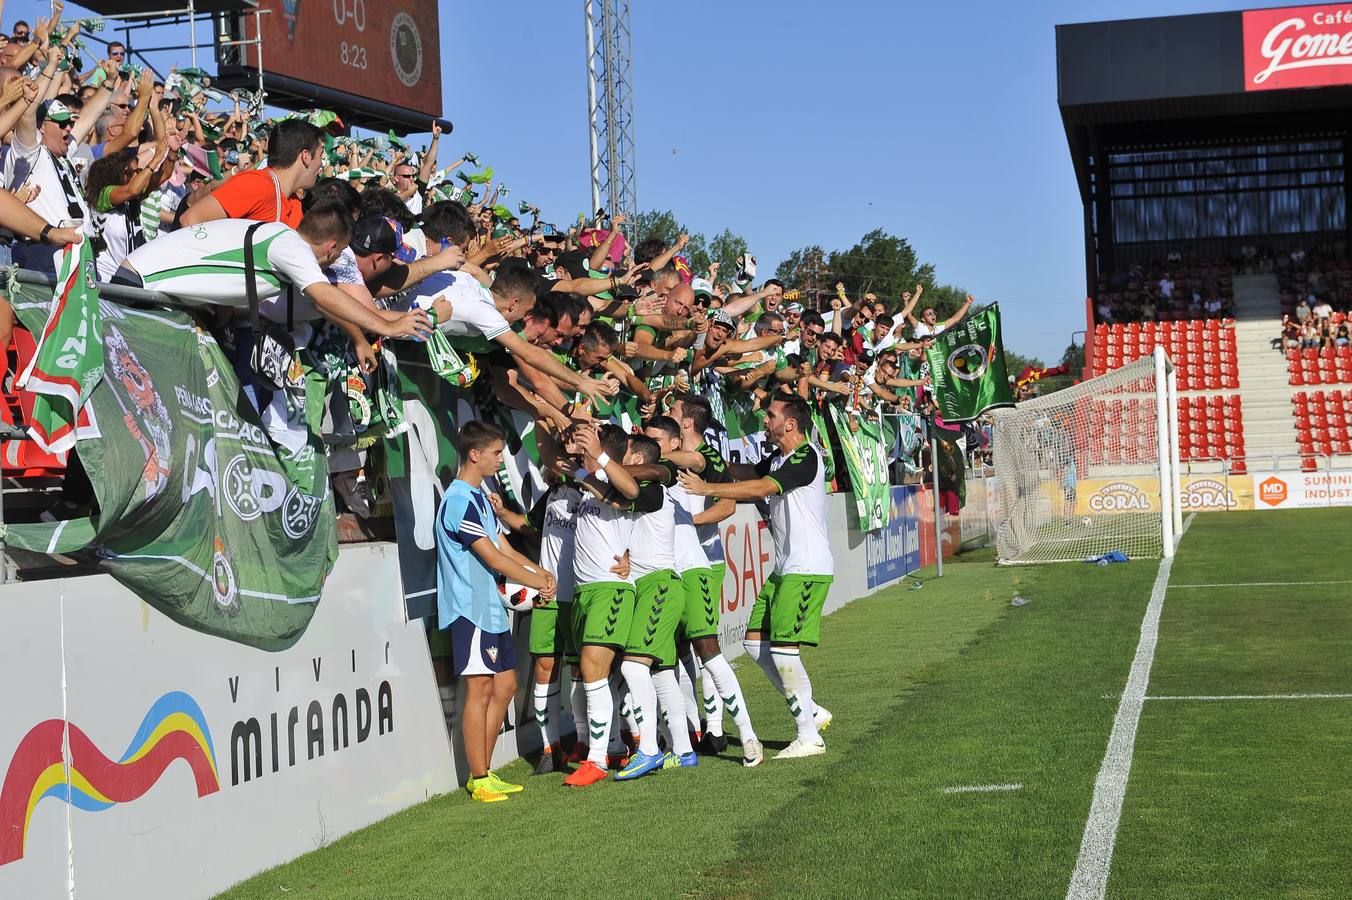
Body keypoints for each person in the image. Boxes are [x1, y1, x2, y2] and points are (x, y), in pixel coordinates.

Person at [680, 394, 834, 759]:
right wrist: (709, 458)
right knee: (754, 643)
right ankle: (810, 711)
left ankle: (809, 735)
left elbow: (763, 487)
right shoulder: (779, 457)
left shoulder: (805, 456)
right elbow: (747, 473)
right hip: (784, 569)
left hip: (807, 568)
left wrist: (709, 489)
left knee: (783, 651)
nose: (765, 420)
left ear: (790, 424)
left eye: (771, 415)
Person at [436, 421, 556, 803]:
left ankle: (482, 774)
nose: (500, 459)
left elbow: (504, 548)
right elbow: (492, 558)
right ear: (475, 455)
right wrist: (535, 583)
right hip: (468, 609)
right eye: (496, 453)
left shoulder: (478, 495)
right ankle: (480, 776)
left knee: (504, 686)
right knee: (480, 689)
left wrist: (541, 571)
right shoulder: (457, 501)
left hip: (489, 609)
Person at [649, 402, 762, 765]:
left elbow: (699, 464)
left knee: (709, 654)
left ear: (677, 439)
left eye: (655, 438)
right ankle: (681, 743)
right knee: (665, 660)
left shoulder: (684, 468)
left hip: (695, 571)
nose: (648, 442)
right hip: (663, 578)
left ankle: (746, 735)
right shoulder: (647, 475)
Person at [561, 424, 656, 788]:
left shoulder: (618, 478)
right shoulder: (587, 481)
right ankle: (615, 745)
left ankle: (597, 760)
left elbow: (631, 490)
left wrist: (597, 454)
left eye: (588, 442)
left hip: (610, 589)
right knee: (598, 674)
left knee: (593, 668)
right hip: (587, 591)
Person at [180, 118, 324, 228]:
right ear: (306, 156)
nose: (321, 164)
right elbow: (190, 220)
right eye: (320, 155)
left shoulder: (294, 202)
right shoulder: (259, 185)